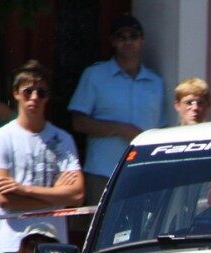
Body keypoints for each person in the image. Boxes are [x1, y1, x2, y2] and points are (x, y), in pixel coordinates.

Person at [0, 60, 83, 253]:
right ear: (16, 94)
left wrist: (24, 189)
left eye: (41, 92)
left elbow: (77, 195)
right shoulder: (1, 138)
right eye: (28, 91)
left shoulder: (63, 139)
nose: (35, 97)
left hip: (53, 241)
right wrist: (55, 194)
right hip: (12, 243)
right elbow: (3, 198)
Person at [68, 14, 165, 206]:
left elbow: (162, 129)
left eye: (133, 36)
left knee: (142, 233)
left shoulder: (156, 82)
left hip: (143, 170)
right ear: (113, 41)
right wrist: (120, 129)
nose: (128, 41)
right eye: (122, 36)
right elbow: (78, 122)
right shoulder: (95, 75)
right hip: (103, 172)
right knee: (102, 231)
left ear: (142, 40)